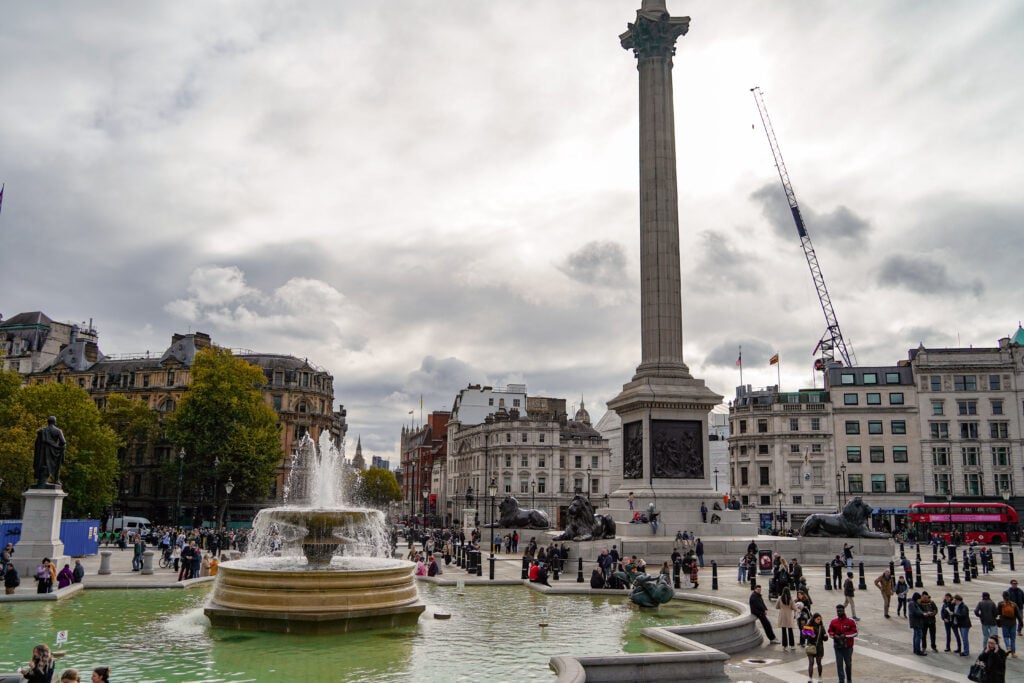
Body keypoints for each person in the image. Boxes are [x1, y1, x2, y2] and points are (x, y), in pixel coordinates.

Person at [828, 604, 858, 683]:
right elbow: (830, 631)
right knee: (839, 664)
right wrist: (834, 635)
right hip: (837, 646)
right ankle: (841, 680)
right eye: (837, 611)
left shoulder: (850, 621)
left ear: (844, 611)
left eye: (840, 611)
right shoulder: (833, 621)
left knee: (848, 664)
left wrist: (845, 635)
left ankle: (849, 679)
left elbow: (855, 633)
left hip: (848, 647)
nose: (839, 612)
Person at [33, 415, 66, 487]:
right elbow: (63, 442)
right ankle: (54, 480)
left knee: (43, 465)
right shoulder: (58, 431)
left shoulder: (41, 431)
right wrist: (59, 448)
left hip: (41, 454)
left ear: (47, 422)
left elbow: (37, 444)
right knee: (53, 465)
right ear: (55, 422)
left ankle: (41, 481)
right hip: (53, 453)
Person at [996, 590, 1021, 658]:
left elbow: (997, 613)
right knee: (1013, 638)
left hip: (1004, 623)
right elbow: (1018, 615)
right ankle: (1013, 653)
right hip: (1013, 623)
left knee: (1006, 636)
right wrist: (1021, 622)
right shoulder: (1014, 604)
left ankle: (1008, 647)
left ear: (1003, 597)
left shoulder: (1000, 604)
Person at [804, 612, 827, 682]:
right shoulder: (808, 626)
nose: (819, 620)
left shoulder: (821, 627)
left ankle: (820, 677)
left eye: (820, 619)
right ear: (814, 619)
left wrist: (826, 637)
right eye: (818, 619)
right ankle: (810, 678)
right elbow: (804, 636)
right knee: (811, 662)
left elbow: (824, 639)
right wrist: (810, 635)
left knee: (819, 663)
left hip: (819, 647)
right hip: (810, 646)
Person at [775, 587, 796, 652]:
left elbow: (776, 607)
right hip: (789, 616)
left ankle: (785, 646)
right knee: (790, 631)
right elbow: (794, 608)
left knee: (783, 631)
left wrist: (782, 607)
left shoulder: (780, 598)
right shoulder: (791, 599)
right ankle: (792, 645)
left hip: (782, 616)